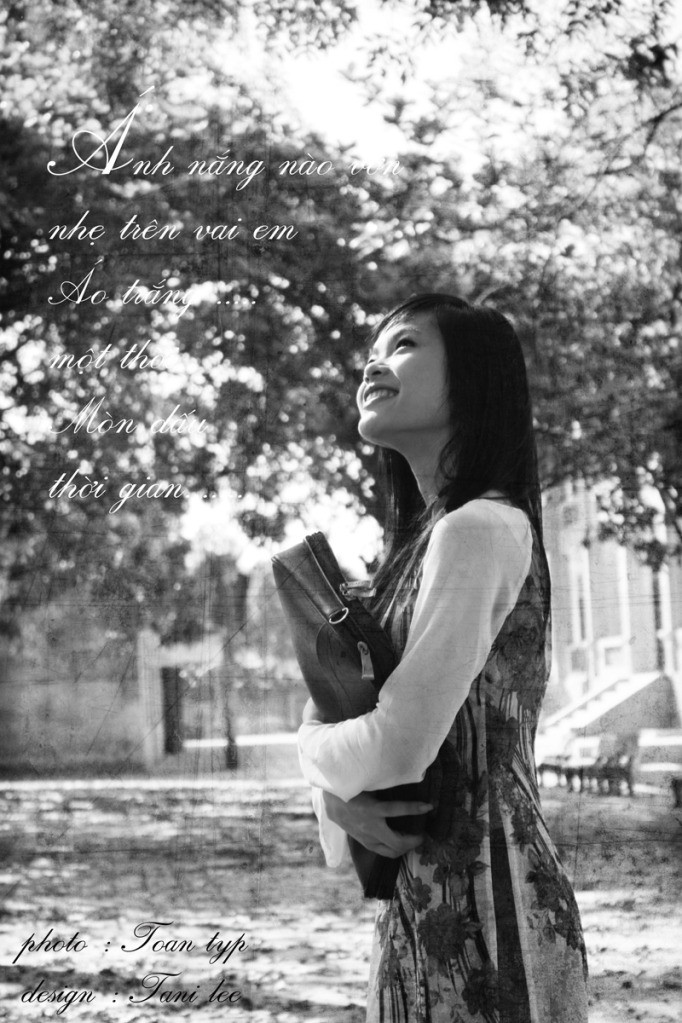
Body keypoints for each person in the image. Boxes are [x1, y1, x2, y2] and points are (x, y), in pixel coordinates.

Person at [297, 293, 589, 1023]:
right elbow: (341, 719)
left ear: (473, 378)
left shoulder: (479, 527)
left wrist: (313, 761)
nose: (373, 365)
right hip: (422, 896)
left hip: (493, 903)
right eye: (372, 351)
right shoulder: (413, 552)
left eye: (403, 345)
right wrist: (334, 794)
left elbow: (396, 744)